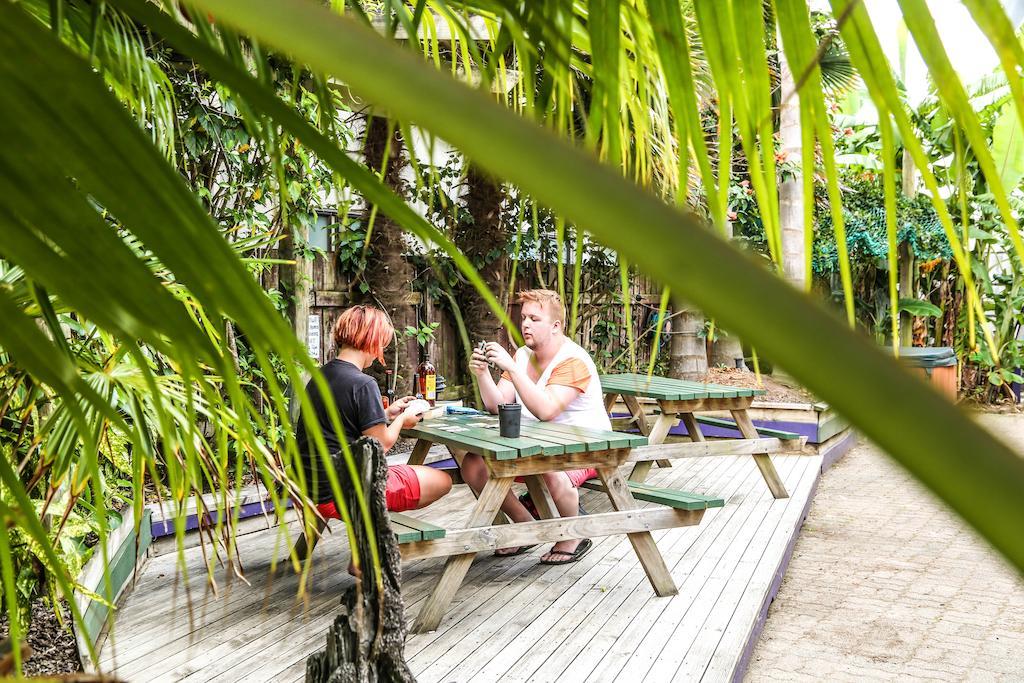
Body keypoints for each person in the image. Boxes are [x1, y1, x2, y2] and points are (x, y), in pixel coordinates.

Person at [463, 289, 611, 565]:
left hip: (586, 447)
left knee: (549, 469)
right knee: (473, 464)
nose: (526, 324)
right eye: (523, 318)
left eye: (534, 318)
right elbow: (497, 405)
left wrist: (514, 370)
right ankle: (524, 525)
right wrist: (482, 374)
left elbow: (546, 410)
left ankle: (572, 534)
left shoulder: (572, 361)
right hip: (535, 445)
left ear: (555, 326)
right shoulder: (521, 356)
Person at [295, 305, 452, 522]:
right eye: (381, 345)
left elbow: (340, 422)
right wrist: (403, 420)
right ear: (371, 341)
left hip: (310, 488)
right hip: (345, 492)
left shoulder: (322, 374)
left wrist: (386, 414)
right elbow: (381, 446)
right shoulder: (363, 383)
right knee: (443, 481)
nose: (380, 354)